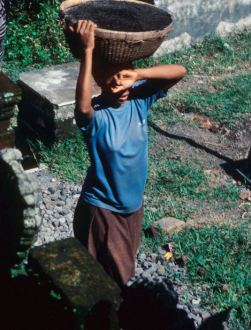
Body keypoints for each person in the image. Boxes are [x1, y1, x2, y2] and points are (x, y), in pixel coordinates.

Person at [71, 20, 186, 287]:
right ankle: (117, 326)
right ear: (97, 80)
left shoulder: (139, 100)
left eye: (126, 80)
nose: (121, 89)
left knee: (113, 271)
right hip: (103, 209)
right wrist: (87, 52)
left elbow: (180, 71)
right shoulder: (96, 116)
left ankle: (105, 320)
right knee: (121, 279)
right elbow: (82, 105)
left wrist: (138, 74)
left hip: (133, 207)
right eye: (112, 82)